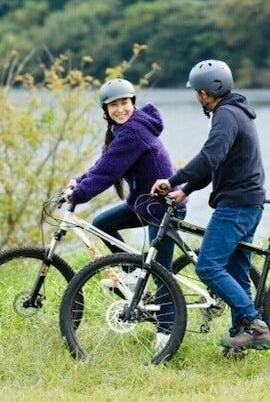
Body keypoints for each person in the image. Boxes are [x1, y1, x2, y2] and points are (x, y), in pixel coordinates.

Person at [150, 59, 270, 353]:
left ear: (206, 92)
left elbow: (209, 157)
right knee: (237, 271)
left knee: (209, 266)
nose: (196, 97)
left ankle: (255, 325)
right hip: (249, 202)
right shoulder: (236, 111)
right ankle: (238, 341)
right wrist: (186, 189)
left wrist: (172, 180)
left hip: (236, 206)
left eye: (197, 92)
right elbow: (216, 164)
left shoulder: (226, 115)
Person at [63, 77, 182, 347]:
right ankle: (130, 271)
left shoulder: (133, 131)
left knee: (162, 273)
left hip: (164, 207)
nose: (120, 109)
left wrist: (80, 194)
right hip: (143, 203)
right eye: (113, 105)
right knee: (102, 223)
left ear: (133, 103)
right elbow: (104, 163)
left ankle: (167, 334)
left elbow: (108, 173)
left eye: (125, 103)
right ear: (105, 110)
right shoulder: (123, 131)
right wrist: (79, 182)